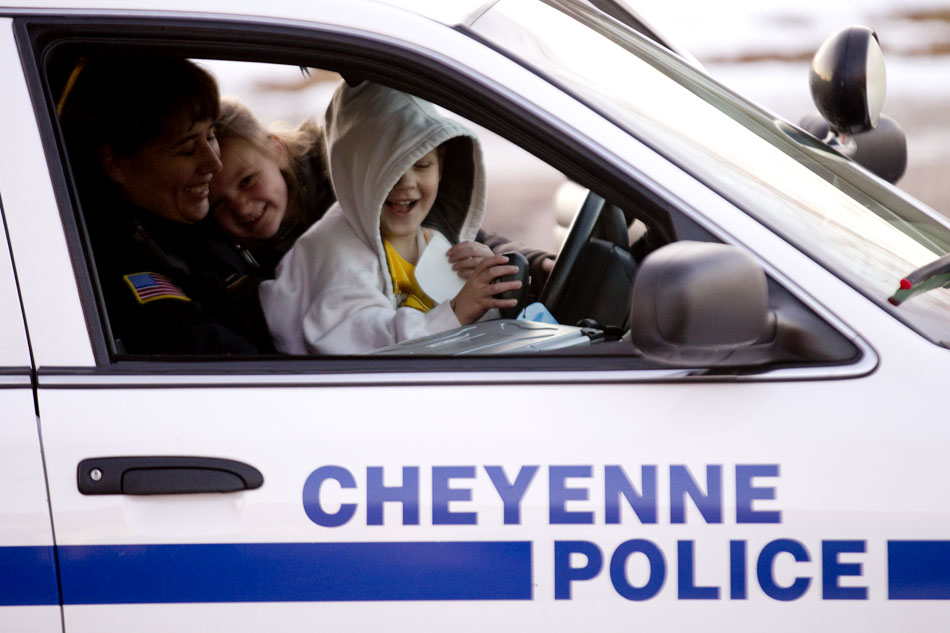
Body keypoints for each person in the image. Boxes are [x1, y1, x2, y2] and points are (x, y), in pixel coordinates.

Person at [259, 81, 524, 354]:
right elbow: (355, 342)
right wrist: (456, 312)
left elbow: (469, 333)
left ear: (441, 165)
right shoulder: (336, 245)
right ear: (355, 170)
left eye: (422, 165)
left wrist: (482, 285)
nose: (406, 183)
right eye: (389, 170)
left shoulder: (435, 240)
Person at [209, 95, 554, 284]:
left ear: (277, 150)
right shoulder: (223, 254)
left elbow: (449, 232)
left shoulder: (354, 177)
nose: (240, 206)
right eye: (219, 203)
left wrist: (535, 264)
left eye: (247, 181)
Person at [58, 56, 272, 354]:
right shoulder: (119, 267)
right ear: (117, 162)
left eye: (210, 136)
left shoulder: (193, 221)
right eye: (186, 150)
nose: (214, 162)